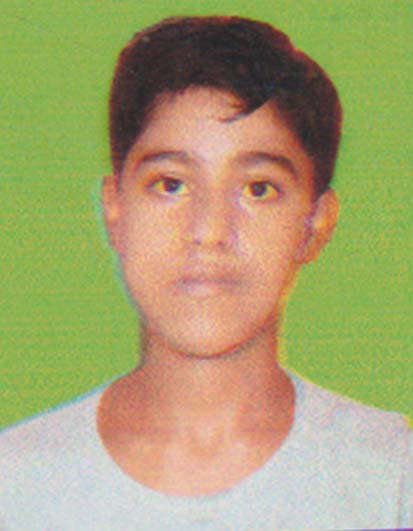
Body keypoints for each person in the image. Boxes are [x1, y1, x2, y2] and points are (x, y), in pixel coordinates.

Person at [0, 16, 411, 530]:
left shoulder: (390, 480)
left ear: (315, 224)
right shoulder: (16, 485)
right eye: (170, 184)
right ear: (115, 209)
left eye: (258, 189)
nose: (210, 230)